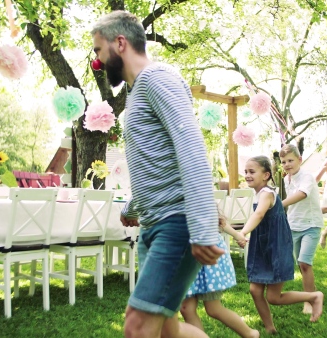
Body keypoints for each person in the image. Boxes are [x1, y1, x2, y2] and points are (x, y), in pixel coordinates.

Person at [91, 11, 224, 338]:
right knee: (168, 330)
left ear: (119, 43)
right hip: (154, 224)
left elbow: (190, 146)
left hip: (176, 224)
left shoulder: (157, 78)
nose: (96, 61)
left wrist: (204, 226)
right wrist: (133, 209)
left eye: (97, 50)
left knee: (137, 325)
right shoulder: (137, 93)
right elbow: (156, 163)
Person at [239, 155, 324, 334]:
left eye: (252, 171)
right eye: (246, 171)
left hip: (275, 248)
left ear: (266, 175)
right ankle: (270, 328)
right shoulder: (258, 194)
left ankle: (314, 296)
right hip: (262, 247)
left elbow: (259, 214)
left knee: (273, 297)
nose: (247, 175)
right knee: (255, 290)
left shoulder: (267, 194)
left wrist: (243, 232)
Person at [180, 212, 260, 338]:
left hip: (206, 254)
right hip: (184, 256)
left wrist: (237, 235)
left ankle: (250, 334)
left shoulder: (195, 194)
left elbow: (217, 219)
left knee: (213, 309)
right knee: (186, 308)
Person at [279, 144, 323, 315]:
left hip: (311, 224)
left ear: (299, 160)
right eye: (283, 162)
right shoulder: (286, 179)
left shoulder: (306, 176)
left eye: (290, 160)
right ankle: (312, 291)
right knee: (300, 263)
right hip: (294, 225)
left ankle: (310, 301)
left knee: (305, 263)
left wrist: (279, 204)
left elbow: (302, 194)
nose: (287, 164)